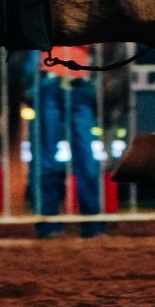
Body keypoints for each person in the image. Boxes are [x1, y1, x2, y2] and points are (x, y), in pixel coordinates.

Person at [30, 47, 110, 239]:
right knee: (49, 158)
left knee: (84, 159)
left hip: (77, 85)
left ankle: (90, 224)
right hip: (52, 83)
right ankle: (49, 223)